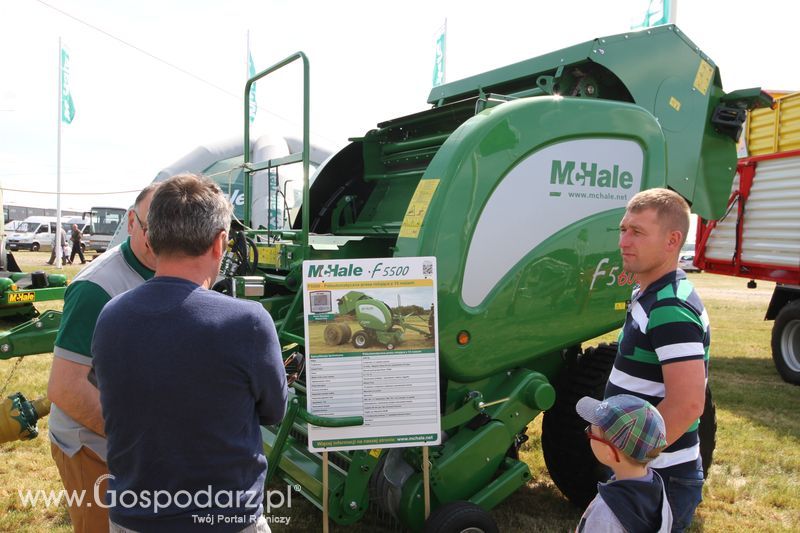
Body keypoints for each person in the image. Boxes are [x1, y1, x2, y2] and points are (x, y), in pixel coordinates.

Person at [92, 173, 287, 532]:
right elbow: (274, 411)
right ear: (220, 243)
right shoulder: (249, 322)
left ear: (150, 239)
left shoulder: (111, 316)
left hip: (133, 516)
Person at [47, 183, 160, 533]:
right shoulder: (96, 287)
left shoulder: (171, 273)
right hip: (93, 447)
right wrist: (140, 436)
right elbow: (65, 388)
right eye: (151, 230)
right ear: (130, 222)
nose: (161, 241)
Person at [608, 188, 709, 532]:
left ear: (672, 241)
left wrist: (631, 461)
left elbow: (687, 404)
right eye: (623, 230)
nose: (624, 241)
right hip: (645, 468)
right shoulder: (649, 294)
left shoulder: (670, 309)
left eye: (637, 232)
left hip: (659, 474)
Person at [576, 394, 672, 533]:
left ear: (610, 452)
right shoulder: (657, 490)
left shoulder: (604, 517)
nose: (588, 433)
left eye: (590, 432)